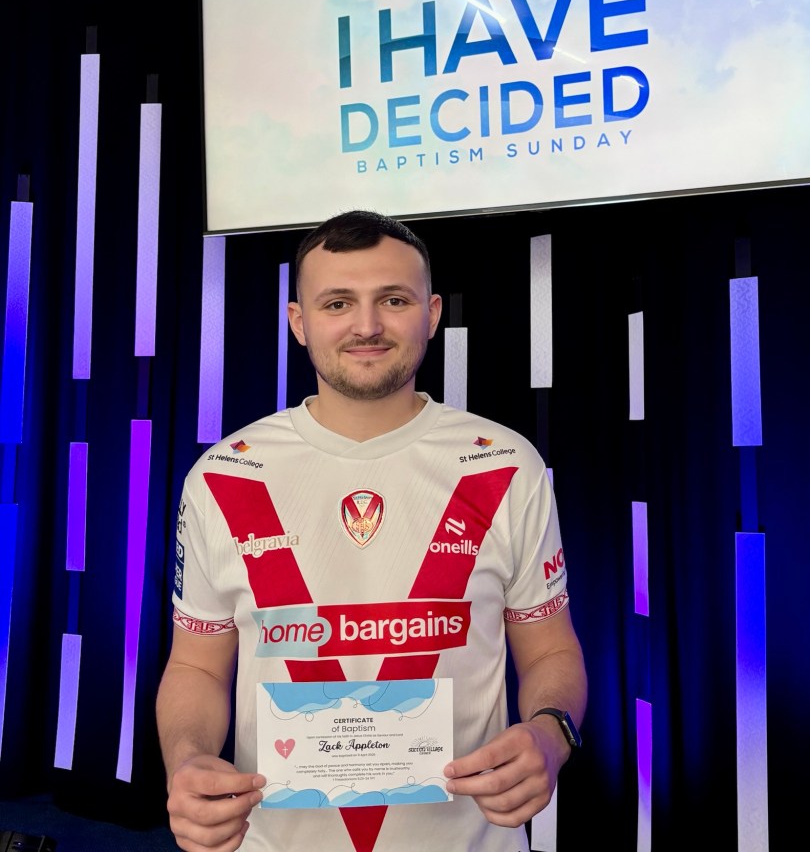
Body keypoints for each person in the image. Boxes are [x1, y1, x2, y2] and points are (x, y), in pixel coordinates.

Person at [156, 210, 586, 852]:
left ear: (432, 314)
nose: (366, 325)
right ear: (299, 322)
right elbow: (196, 664)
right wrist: (187, 761)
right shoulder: (224, 476)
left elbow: (551, 649)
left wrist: (552, 735)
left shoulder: (504, 463)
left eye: (394, 300)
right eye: (337, 303)